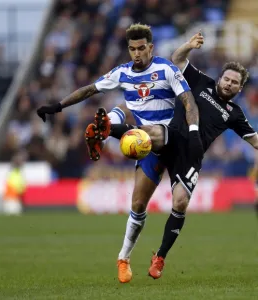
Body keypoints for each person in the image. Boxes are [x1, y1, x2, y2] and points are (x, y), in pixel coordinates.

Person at [36, 24, 202, 283]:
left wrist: (193, 132)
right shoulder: (122, 73)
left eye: (142, 48)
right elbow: (89, 89)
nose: (137, 54)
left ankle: (109, 130)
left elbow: (189, 102)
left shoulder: (166, 69)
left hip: (173, 138)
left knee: (144, 132)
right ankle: (123, 258)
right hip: (145, 143)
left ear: (151, 47)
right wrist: (57, 106)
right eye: (133, 49)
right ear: (129, 49)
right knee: (137, 205)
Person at [89, 32, 258, 280]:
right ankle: (105, 130)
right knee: (149, 135)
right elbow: (177, 59)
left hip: (190, 157)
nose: (228, 84)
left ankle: (160, 257)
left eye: (234, 83)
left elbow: (254, 140)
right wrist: (188, 46)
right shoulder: (201, 82)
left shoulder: (235, 113)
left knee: (180, 203)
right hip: (174, 135)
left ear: (240, 88)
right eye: (227, 79)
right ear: (220, 78)